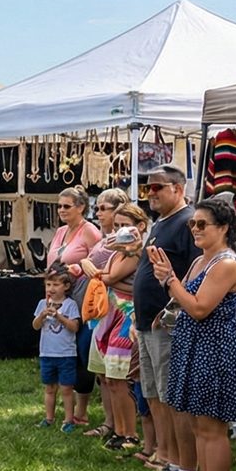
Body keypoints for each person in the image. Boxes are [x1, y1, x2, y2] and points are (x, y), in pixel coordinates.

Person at [148, 196, 236, 471]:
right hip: (194, 346)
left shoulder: (226, 264)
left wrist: (169, 279)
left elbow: (198, 307)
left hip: (215, 350)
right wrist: (167, 304)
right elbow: (184, 303)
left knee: (212, 430)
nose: (194, 229)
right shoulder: (201, 261)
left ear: (223, 228)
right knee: (198, 427)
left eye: (201, 224)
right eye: (192, 223)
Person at [132, 166, 198, 471]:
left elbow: (194, 274)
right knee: (155, 395)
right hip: (145, 323)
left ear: (177, 187)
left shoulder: (188, 222)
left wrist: (169, 311)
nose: (151, 193)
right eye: (147, 189)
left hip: (168, 324)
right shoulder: (160, 223)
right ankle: (169, 460)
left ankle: (186, 470)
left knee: (173, 398)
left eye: (156, 187)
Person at [83, 197, 144, 453]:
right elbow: (106, 277)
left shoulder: (135, 252)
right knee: (110, 378)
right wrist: (101, 275)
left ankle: (129, 433)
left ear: (140, 226)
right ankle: (118, 430)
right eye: (116, 224)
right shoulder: (117, 252)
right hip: (109, 314)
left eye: (125, 224)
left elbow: (109, 278)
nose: (118, 229)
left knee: (121, 377)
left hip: (125, 317)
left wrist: (92, 269)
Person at [48, 186, 102, 430]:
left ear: (81, 207)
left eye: (66, 206)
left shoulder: (90, 231)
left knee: (82, 350)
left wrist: (80, 268)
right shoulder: (60, 232)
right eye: (59, 206)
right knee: (64, 350)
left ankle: (82, 409)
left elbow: (100, 262)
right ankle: (64, 405)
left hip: (83, 300)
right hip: (61, 299)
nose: (61, 210)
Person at [33, 270, 82, 429]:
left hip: (66, 354)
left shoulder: (70, 304)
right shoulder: (42, 303)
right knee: (49, 388)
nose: (51, 289)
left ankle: (68, 420)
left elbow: (74, 327)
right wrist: (42, 315)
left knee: (66, 388)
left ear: (66, 286)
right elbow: (35, 326)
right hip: (47, 353)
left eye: (55, 284)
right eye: (48, 285)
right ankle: (49, 418)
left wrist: (59, 317)